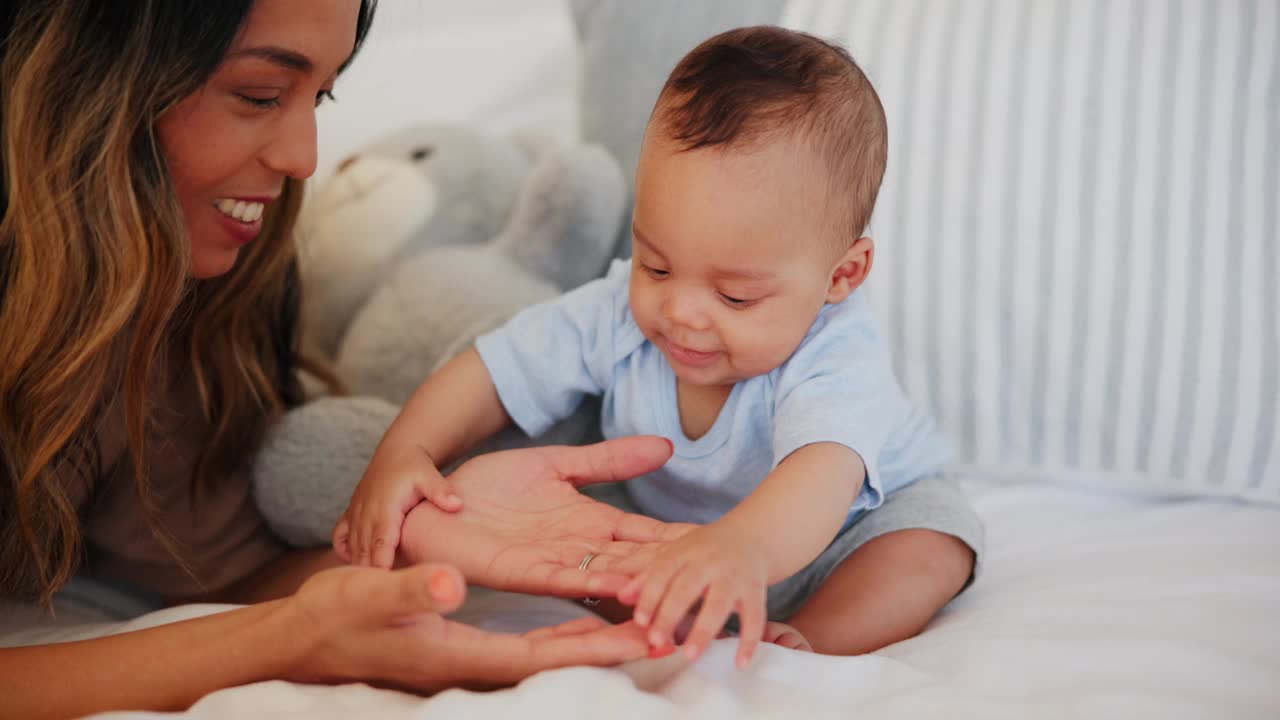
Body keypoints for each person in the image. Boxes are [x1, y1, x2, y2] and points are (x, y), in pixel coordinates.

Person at [0, 2, 688, 716]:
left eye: (320, 96)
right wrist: (291, 641)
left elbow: (209, 577)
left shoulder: (185, 291)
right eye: (260, 95)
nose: (304, 158)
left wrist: (430, 536)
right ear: (87, 80)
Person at [339, 26, 986, 667]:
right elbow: (496, 369)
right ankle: (682, 613)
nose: (680, 311)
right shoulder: (618, 311)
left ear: (840, 276)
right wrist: (407, 450)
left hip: (843, 534)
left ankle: (803, 646)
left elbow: (821, 478)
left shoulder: (836, 352)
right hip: (672, 539)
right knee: (576, 535)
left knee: (930, 547)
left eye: (734, 297)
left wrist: (745, 550)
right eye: (656, 264)